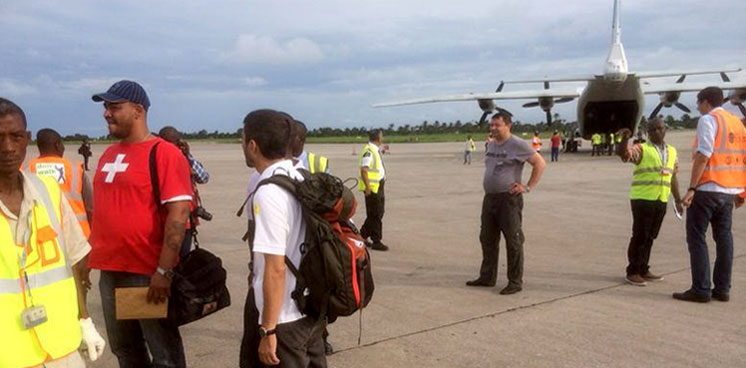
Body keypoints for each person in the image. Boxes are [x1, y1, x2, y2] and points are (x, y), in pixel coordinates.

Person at [88, 80, 193, 367]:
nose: (107, 113)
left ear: (138, 111)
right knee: (125, 350)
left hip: (146, 274)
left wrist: (164, 271)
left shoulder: (164, 153)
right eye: (106, 107)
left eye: (114, 107)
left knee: (164, 356)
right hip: (110, 272)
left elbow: (178, 215)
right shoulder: (109, 154)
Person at [0, 98, 105, 368]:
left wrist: (85, 320)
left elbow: (76, 263)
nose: (8, 148)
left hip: (62, 348)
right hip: (9, 355)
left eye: (16, 136)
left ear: (28, 138)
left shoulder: (47, 190)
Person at [239, 109, 327, 368]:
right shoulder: (300, 177)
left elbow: (275, 268)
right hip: (309, 307)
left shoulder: (269, 192)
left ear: (253, 145)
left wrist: (268, 329)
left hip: (285, 318)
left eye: (242, 140)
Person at [675, 87, 746, 303]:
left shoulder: (708, 120)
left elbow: (704, 154)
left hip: (707, 189)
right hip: (729, 192)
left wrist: (692, 188)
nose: (697, 107)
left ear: (705, 102)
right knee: (724, 237)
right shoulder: (737, 123)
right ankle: (722, 289)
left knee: (697, 237)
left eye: (698, 103)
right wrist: (742, 191)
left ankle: (701, 289)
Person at [466, 111, 546, 295]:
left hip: (508, 200)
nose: (493, 128)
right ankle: (487, 277)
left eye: (497, 125)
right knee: (487, 238)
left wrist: (527, 187)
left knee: (513, 240)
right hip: (490, 199)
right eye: (491, 125)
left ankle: (515, 281)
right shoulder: (492, 144)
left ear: (508, 125)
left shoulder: (517, 144)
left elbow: (539, 163)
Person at [615, 118, 683, 286]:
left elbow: (673, 177)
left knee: (651, 236)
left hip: (661, 199)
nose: (657, 132)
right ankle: (633, 271)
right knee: (640, 235)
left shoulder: (672, 152)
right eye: (653, 130)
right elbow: (624, 154)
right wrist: (624, 139)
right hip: (643, 199)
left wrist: (678, 199)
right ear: (648, 132)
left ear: (665, 129)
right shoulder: (642, 149)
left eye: (660, 128)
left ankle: (644, 268)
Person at [27, 128, 94, 238]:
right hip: (78, 236)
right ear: (58, 145)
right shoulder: (76, 170)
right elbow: (90, 208)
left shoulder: (28, 170)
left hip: (44, 238)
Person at [158, 126, 211, 257]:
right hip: (176, 220)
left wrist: (187, 155)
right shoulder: (163, 158)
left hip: (182, 220)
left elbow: (203, 177)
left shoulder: (182, 157)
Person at [359, 129, 388, 251]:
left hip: (378, 186)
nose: (382, 138)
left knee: (377, 213)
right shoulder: (369, 151)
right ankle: (376, 240)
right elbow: (364, 170)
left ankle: (362, 236)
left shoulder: (374, 150)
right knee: (375, 214)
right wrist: (368, 188)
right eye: (381, 136)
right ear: (378, 138)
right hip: (372, 188)